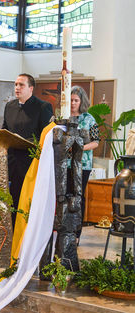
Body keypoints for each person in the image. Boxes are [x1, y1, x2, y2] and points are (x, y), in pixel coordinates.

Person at [2, 73, 53, 227]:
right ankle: (10, 233)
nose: (17, 88)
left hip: (31, 162)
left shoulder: (43, 107)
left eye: (21, 85)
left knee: (28, 201)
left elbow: (46, 136)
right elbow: (5, 129)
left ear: (31, 88)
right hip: (11, 161)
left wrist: (24, 141)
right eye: (16, 84)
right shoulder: (9, 106)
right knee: (12, 200)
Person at [67, 86, 100, 244]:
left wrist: (79, 148)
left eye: (76, 100)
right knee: (65, 197)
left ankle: (76, 233)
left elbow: (96, 142)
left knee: (77, 197)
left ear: (82, 102)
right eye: (71, 100)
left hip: (82, 164)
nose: (73, 103)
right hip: (64, 164)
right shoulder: (63, 117)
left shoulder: (89, 119)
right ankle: (64, 231)